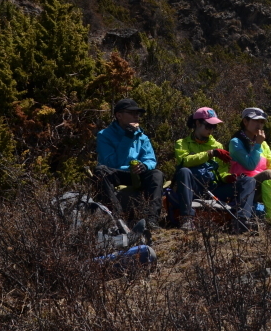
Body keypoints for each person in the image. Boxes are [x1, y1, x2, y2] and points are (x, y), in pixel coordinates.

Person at [95, 98, 164, 230]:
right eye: (132, 113)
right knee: (101, 172)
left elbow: (151, 160)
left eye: (138, 113)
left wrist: (144, 166)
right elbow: (112, 162)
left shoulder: (142, 136)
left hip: (137, 173)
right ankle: (117, 218)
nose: (136, 116)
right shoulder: (105, 135)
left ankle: (151, 219)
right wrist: (127, 137)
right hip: (117, 173)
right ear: (119, 115)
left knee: (157, 174)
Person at [171, 107, 241, 231]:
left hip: (213, 188)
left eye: (214, 127)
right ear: (197, 123)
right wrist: (210, 153)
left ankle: (242, 219)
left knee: (247, 182)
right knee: (183, 171)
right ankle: (187, 218)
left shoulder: (217, 145)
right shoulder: (182, 143)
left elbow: (221, 170)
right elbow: (185, 161)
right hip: (192, 188)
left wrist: (227, 177)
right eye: (208, 126)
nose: (211, 130)